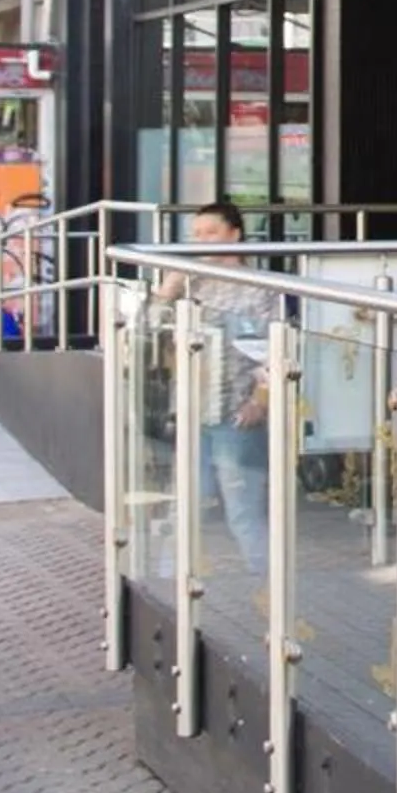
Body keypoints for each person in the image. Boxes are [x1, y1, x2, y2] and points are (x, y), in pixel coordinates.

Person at [151, 200, 279, 573]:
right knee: (185, 505)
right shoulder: (192, 281)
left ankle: (268, 585)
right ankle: (169, 583)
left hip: (235, 414)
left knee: (243, 511)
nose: (202, 241)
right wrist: (167, 289)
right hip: (193, 409)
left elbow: (276, 350)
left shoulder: (259, 287)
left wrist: (261, 400)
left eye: (211, 233)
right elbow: (148, 330)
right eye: (197, 234)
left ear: (235, 234)